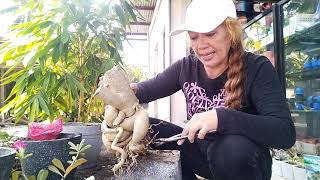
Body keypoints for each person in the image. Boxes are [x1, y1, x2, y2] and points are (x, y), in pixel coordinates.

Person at [130, 0, 296, 179]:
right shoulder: (186, 67)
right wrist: (125, 92)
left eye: (210, 34)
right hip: (201, 155)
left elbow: (285, 133)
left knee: (232, 149)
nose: (201, 45)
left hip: (243, 163)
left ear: (231, 33)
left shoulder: (256, 67)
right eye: (194, 37)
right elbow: (144, 91)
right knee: (144, 127)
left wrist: (221, 118)